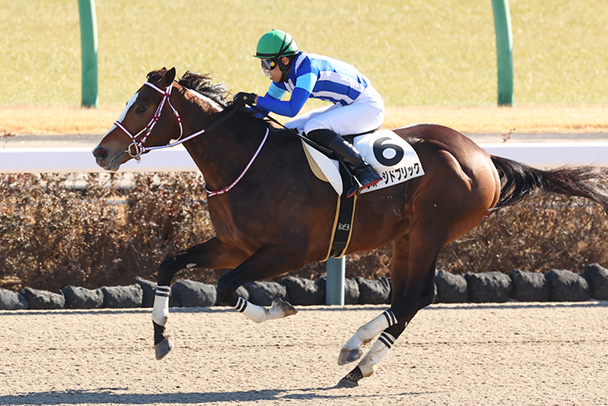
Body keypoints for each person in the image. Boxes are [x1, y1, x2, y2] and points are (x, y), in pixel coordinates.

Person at [234, 29, 384, 198]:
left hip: (368, 107)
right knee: (290, 128)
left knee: (313, 127)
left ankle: (363, 170)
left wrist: (255, 99)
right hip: (346, 105)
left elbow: (292, 109)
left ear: (284, 60)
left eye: (268, 65)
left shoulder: (307, 69)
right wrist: (236, 115)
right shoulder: (284, 75)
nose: (266, 71)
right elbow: (262, 111)